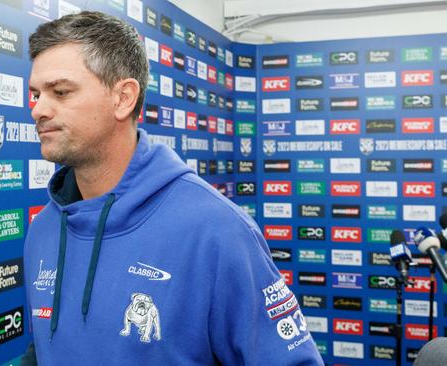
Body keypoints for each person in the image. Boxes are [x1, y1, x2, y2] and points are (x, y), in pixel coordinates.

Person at [22, 10, 323, 366]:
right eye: (36, 94)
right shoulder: (43, 228)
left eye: (60, 92)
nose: (38, 109)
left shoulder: (216, 230)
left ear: (123, 98)